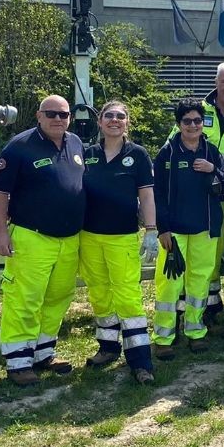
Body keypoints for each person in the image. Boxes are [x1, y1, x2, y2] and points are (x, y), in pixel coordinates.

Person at [0, 95, 85, 386]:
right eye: (52, 113)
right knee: (25, 299)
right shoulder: (19, 146)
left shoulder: (76, 143)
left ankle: (44, 352)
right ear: (39, 115)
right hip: (32, 236)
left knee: (58, 297)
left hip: (69, 239)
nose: (58, 118)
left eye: (64, 114)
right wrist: (1, 233)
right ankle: (18, 361)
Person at [157, 62, 224, 325]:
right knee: (185, 260)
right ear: (215, 82)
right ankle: (179, 312)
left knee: (210, 261)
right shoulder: (197, 111)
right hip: (190, 200)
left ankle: (208, 312)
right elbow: (171, 147)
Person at [78, 101, 158, 384]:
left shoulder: (137, 155)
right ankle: (108, 348)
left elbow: (147, 196)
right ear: (99, 122)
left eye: (120, 116)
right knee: (99, 293)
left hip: (122, 236)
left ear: (127, 123)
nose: (114, 120)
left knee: (127, 297)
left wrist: (151, 229)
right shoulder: (86, 154)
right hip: (89, 236)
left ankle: (140, 361)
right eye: (108, 116)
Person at [151, 98, 224, 361]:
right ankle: (164, 336)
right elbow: (157, 194)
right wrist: (162, 228)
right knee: (170, 285)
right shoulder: (168, 153)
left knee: (199, 282)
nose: (193, 125)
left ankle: (195, 330)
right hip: (174, 231)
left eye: (198, 120)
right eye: (187, 121)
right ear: (179, 124)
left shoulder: (211, 151)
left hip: (205, 228)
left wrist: (212, 171)